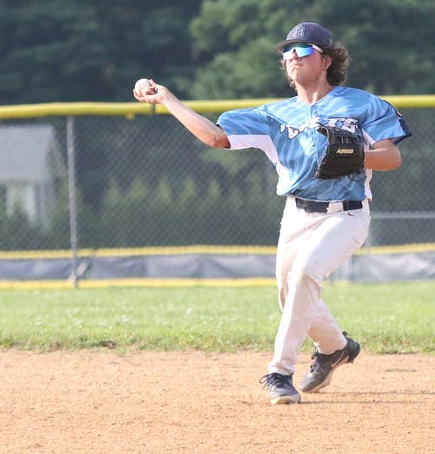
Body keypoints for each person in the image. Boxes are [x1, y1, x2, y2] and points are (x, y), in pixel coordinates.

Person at [133, 21, 411, 405]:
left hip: (346, 214)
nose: (293, 56)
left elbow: (392, 158)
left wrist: (358, 155)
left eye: (304, 50)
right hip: (296, 215)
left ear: (326, 60)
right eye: (287, 52)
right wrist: (167, 99)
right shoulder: (274, 115)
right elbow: (215, 136)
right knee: (290, 293)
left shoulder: (362, 104)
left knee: (305, 274)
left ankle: (279, 372)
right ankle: (335, 348)